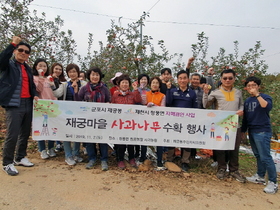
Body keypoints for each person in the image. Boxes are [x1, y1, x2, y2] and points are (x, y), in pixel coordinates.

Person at [0, 36, 37, 176]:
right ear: (15, 51)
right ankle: (7, 163)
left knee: (25, 133)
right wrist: (12, 43)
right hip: (14, 104)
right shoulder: (8, 65)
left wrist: (35, 95)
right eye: (20, 50)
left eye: (26, 52)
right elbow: (1, 60)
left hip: (28, 103)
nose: (23, 53)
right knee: (12, 134)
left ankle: (20, 157)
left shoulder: (27, 68)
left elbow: (31, 85)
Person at [203, 69, 245, 183]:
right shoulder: (216, 92)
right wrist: (205, 93)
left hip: (234, 124)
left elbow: (241, 105)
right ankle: (221, 168)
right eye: (225, 78)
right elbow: (206, 105)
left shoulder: (238, 92)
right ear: (221, 79)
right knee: (220, 147)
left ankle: (234, 170)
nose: (227, 80)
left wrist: (241, 111)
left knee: (234, 148)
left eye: (230, 78)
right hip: (220, 125)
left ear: (234, 79)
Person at [241, 76, 278, 194]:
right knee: (258, 155)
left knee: (266, 157)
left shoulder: (265, 97)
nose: (251, 88)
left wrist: (257, 95)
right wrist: (243, 131)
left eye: (254, 85)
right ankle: (260, 176)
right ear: (246, 88)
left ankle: (273, 182)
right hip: (252, 130)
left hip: (263, 131)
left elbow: (266, 107)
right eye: (249, 86)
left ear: (258, 87)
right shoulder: (247, 101)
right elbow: (246, 118)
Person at [74, 67, 111, 171]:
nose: (95, 77)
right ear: (89, 76)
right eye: (93, 75)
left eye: (97, 75)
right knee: (90, 139)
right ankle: (92, 158)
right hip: (88, 119)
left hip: (101, 119)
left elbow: (108, 100)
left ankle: (104, 160)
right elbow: (78, 101)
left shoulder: (104, 88)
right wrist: (76, 91)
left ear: (100, 76)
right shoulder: (84, 88)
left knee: (103, 140)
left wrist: (108, 104)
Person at [53, 63, 87, 166]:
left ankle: (76, 154)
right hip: (66, 114)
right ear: (67, 73)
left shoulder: (84, 84)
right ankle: (68, 155)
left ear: (78, 72)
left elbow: (85, 97)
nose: (72, 74)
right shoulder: (64, 84)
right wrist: (52, 84)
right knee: (66, 134)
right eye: (70, 72)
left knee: (77, 134)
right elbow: (57, 94)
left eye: (74, 71)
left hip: (79, 113)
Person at [166, 70, 198, 172]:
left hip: (187, 122)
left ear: (188, 80)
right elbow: (168, 103)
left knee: (186, 141)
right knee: (171, 140)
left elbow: (195, 107)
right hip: (174, 121)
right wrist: (168, 90)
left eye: (184, 78)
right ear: (177, 80)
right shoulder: (172, 91)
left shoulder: (192, 93)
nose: (182, 80)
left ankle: (185, 161)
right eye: (180, 78)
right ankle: (170, 159)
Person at [111, 74, 141, 169]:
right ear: (119, 84)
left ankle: (131, 158)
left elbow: (138, 101)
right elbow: (112, 107)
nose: (124, 84)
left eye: (126, 83)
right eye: (122, 82)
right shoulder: (115, 95)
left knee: (131, 142)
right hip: (119, 123)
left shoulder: (132, 94)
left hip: (130, 123)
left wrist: (136, 90)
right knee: (120, 143)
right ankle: (120, 159)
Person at [32, 58, 57, 159]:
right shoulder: (34, 78)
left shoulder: (48, 78)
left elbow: (53, 91)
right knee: (41, 127)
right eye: (40, 66)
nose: (43, 68)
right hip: (40, 106)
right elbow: (37, 89)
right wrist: (41, 77)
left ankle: (51, 148)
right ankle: (42, 149)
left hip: (51, 105)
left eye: (45, 66)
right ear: (36, 67)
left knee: (52, 127)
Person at [139, 77, 166, 170]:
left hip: (157, 121)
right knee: (144, 140)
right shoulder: (146, 94)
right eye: (153, 83)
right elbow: (142, 104)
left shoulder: (162, 96)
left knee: (159, 141)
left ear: (159, 85)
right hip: (146, 121)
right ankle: (142, 157)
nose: (154, 84)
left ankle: (159, 160)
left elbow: (163, 108)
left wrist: (155, 106)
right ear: (150, 84)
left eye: (156, 83)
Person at [49, 62, 66, 152]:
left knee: (60, 124)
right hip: (51, 104)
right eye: (56, 69)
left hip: (60, 104)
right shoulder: (48, 78)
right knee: (53, 125)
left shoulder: (63, 81)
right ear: (52, 69)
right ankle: (57, 143)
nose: (58, 71)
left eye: (60, 69)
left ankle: (61, 142)